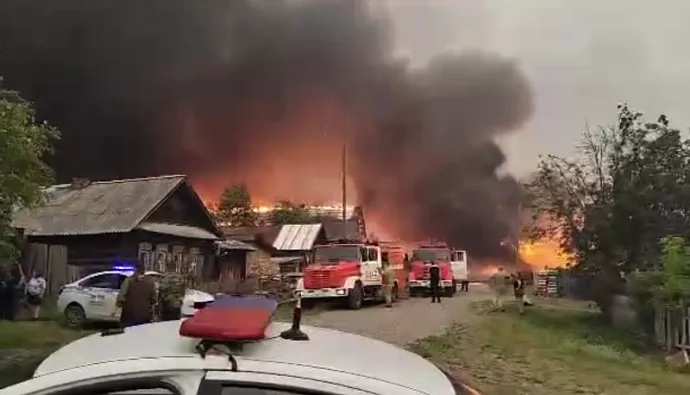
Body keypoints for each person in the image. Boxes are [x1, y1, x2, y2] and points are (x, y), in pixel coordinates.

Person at [117, 263, 157, 328]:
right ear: (144, 271)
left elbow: (121, 295)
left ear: (135, 270)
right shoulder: (151, 282)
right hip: (144, 315)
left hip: (129, 314)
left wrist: (119, 304)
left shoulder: (129, 281)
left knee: (128, 334)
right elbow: (154, 298)